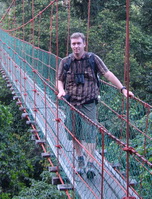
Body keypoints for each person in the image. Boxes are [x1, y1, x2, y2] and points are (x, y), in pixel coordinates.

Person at [57, 32, 134, 178]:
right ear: (70, 45)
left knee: (90, 134)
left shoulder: (93, 59)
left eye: (79, 43)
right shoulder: (65, 61)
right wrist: (61, 90)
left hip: (89, 103)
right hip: (71, 102)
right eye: (73, 44)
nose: (76, 46)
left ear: (84, 44)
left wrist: (122, 89)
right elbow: (59, 79)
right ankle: (80, 159)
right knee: (74, 132)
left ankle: (91, 163)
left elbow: (107, 73)